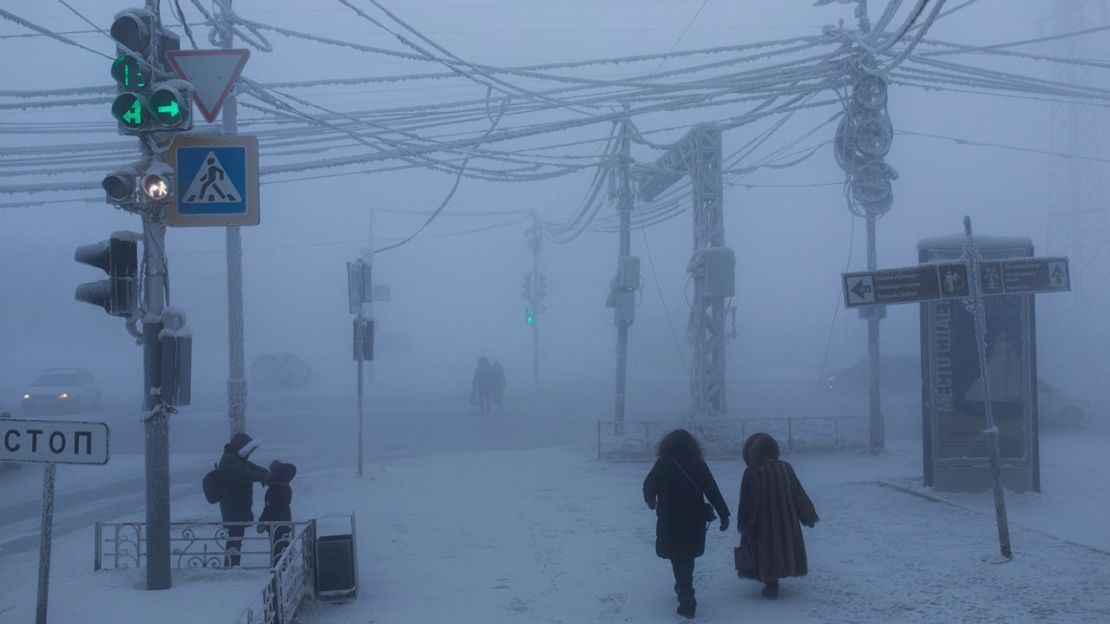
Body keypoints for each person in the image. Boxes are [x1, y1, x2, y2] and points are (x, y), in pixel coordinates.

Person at [643, 429, 730, 618]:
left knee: (678, 556)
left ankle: (685, 594)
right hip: (694, 518)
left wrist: (651, 501)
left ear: (667, 446)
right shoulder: (699, 465)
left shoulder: (663, 464)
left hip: (670, 519)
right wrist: (724, 515)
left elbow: (648, 486)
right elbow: (713, 491)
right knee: (687, 556)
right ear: (693, 446)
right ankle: (684, 587)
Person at [736, 432, 818, 599]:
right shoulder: (785, 467)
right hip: (787, 522)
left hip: (763, 524)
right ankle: (777, 578)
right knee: (783, 547)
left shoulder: (752, 472)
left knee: (766, 550)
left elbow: (748, 503)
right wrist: (808, 515)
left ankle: (771, 584)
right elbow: (798, 493)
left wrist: (746, 526)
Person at [218, 432, 269, 567]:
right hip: (233, 507)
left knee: (236, 538)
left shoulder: (237, 458)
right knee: (235, 538)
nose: (250, 453)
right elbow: (244, 475)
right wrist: (262, 477)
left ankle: (232, 565)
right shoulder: (230, 460)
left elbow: (251, 467)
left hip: (238, 506)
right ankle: (231, 566)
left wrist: (264, 472)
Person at [257, 460, 297, 566]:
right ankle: (285, 565)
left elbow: (269, 507)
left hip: (274, 522)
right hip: (285, 520)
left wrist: (261, 520)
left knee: (277, 547)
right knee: (283, 544)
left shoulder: (274, 489)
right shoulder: (286, 487)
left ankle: (278, 567)